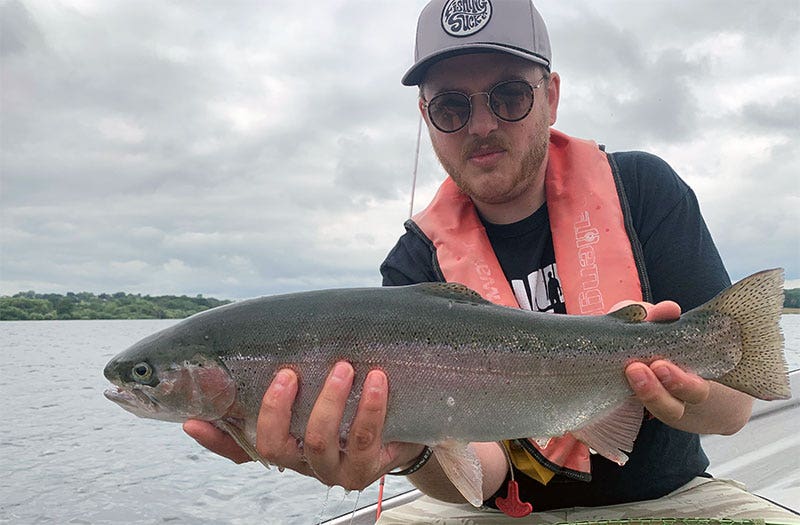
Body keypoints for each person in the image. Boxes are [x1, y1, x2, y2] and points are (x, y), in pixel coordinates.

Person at [184, 0, 797, 520]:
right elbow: (483, 468)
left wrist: (685, 392)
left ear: (551, 97)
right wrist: (411, 452)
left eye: (508, 95)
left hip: (670, 497)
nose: (481, 124)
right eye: (452, 106)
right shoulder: (413, 262)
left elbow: (733, 411)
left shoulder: (644, 191)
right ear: (427, 117)